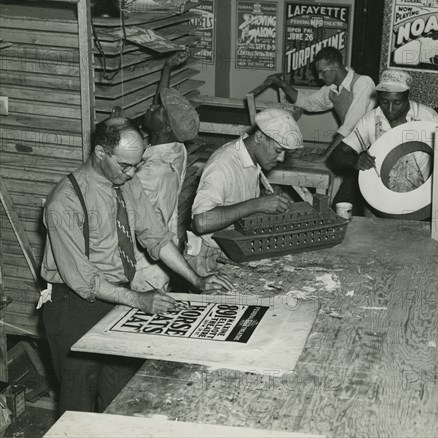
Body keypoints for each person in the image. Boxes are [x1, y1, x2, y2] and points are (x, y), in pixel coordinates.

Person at [41, 117, 233, 415]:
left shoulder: (126, 184)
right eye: (125, 166)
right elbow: (84, 280)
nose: (131, 173)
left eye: (137, 165)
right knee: (78, 401)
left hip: (117, 295)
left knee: (121, 396)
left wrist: (195, 279)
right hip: (73, 305)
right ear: (100, 153)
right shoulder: (64, 203)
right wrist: (139, 299)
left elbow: (156, 236)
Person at [187, 108, 303, 275]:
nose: (281, 158)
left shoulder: (252, 160)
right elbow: (201, 222)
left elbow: (236, 202)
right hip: (209, 258)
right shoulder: (223, 163)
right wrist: (257, 204)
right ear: (259, 137)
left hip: (234, 250)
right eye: (278, 150)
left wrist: (265, 201)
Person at [130, 49, 199, 292]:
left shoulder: (153, 172)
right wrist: (166, 69)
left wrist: (111, 139)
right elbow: (161, 107)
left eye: (158, 110)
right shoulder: (176, 150)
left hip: (143, 271)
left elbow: (126, 213)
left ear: (166, 127)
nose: (151, 107)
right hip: (162, 264)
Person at [329, 69, 438, 213]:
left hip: (417, 202)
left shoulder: (429, 118)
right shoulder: (371, 120)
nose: (389, 109)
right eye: (384, 102)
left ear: (407, 97)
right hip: (379, 203)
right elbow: (336, 156)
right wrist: (354, 160)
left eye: (397, 102)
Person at [266, 46, 376, 158]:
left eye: (322, 72)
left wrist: (324, 157)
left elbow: (350, 126)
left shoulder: (363, 83)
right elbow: (308, 102)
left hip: (373, 148)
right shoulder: (331, 88)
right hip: (353, 146)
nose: (319, 77)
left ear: (336, 65)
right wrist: (282, 84)